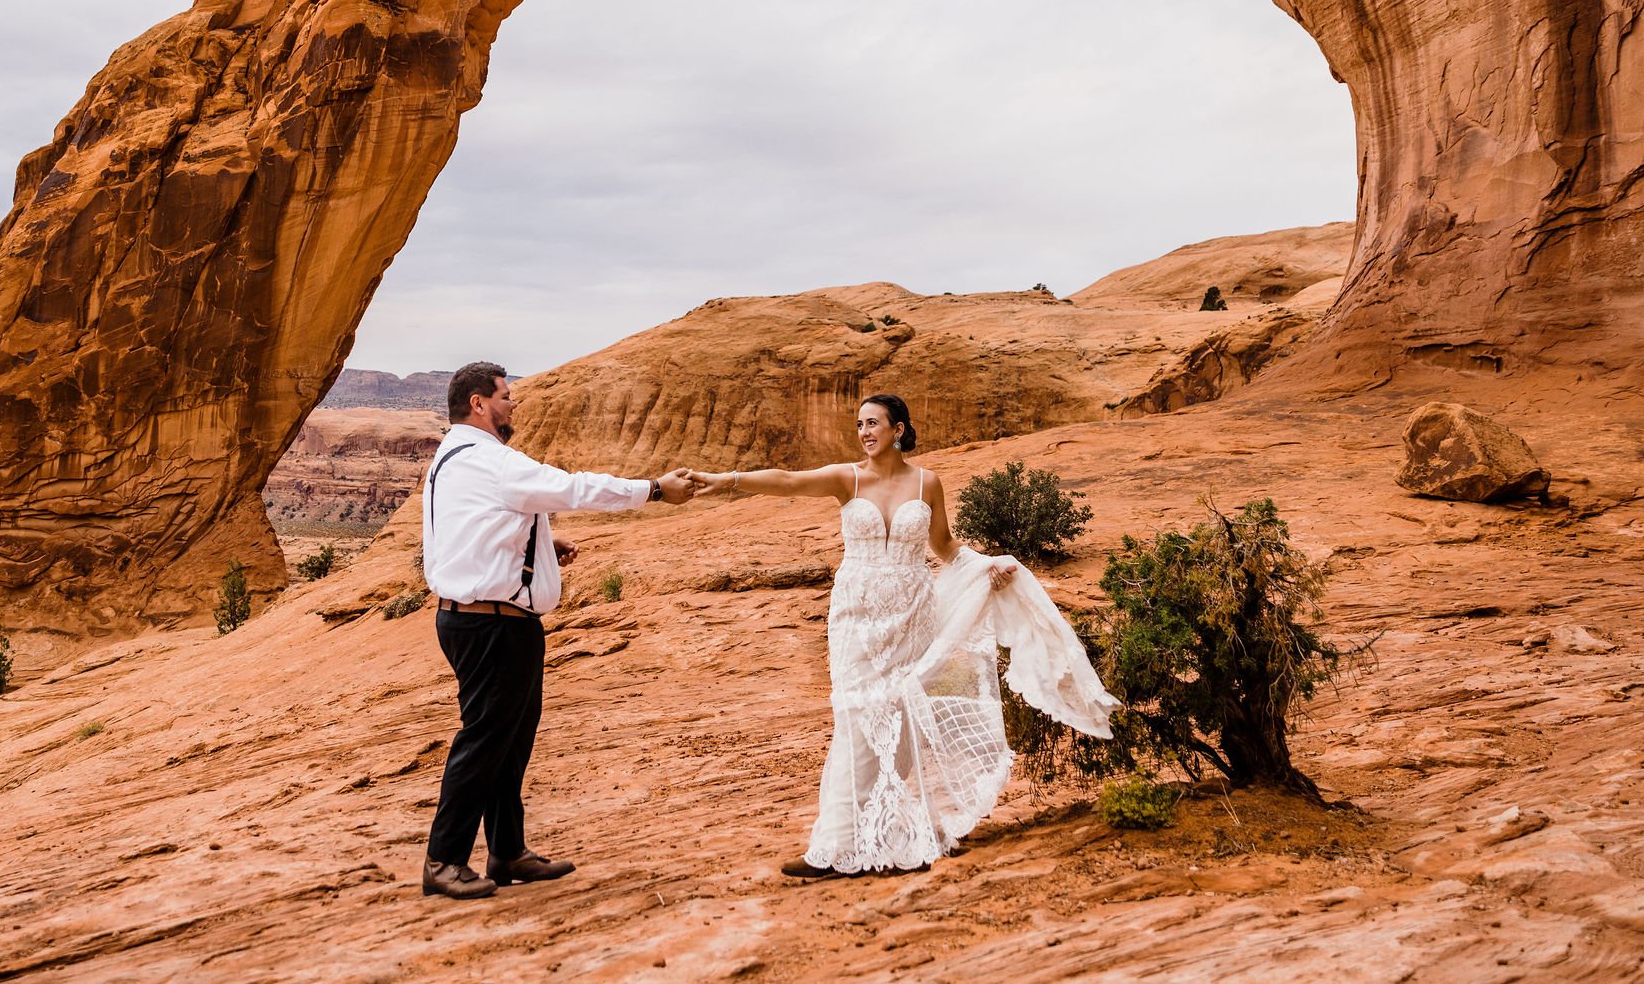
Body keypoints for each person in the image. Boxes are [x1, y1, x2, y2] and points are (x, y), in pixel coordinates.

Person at [694, 394, 1119, 877]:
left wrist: (987, 567)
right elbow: (789, 482)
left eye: (872, 423)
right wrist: (724, 479)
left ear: (899, 429)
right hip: (857, 614)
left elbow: (944, 546)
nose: (864, 432)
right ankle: (834, 848)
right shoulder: (847, 478)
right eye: (859, 424)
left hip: (913, 612)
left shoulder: (927, 482)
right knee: (856, 718)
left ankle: (888, 832)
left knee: (901, 720)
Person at [419, 361, 699, 900]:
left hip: (482, 620)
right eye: (505, 396)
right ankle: (443, 860)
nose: (513, 405)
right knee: (484, 740)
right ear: (479, 403)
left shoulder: (453, 457)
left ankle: (506, 851)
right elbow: (572, 488)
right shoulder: (489, 460)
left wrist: (543, 544)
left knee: (510, 740)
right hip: (492, 627)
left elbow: (476, 525)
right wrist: (655, 490)